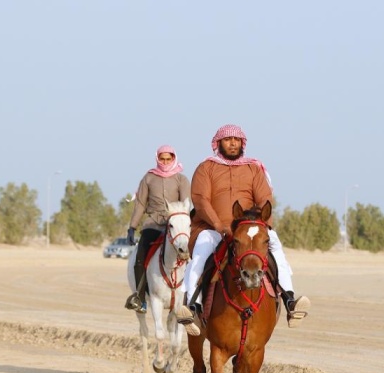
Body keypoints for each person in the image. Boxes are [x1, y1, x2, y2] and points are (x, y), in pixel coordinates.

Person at [176, 124, 310, 335]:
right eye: (228, 140)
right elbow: (200, 199)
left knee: (277, 250)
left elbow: (264, 198)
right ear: (218, 143)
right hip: (212, 227)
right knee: (200, 255)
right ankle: (193, 307)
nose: (232, 143)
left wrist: (260, 225)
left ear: (242, 143)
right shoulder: (206, 167)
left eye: (236, 140)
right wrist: (219, 225)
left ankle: (290, 302)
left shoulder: (253, 169)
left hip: (249, 227)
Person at [124, 145, 191, 313]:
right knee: (140, 255)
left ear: (174, 158)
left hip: (175, 227)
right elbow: (140, 204)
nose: (165, 162)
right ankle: (139, 298)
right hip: (153, 224)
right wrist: (132, 227)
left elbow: (185, 205)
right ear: (157, 158)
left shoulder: (181, 179)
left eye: (169, 159)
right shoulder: (148, 178)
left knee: (191, 257)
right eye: (162, 158)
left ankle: (191, 300)